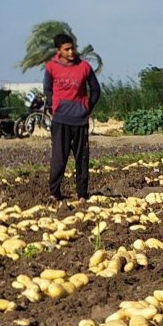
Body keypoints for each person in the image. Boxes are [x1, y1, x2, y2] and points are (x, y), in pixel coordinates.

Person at [43, 32, 101, 200]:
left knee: (82, 159)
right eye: (67, 49)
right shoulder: (51, 67)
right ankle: (54, 193)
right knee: (59, 159)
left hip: (80, 119)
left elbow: (96, 90)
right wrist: (55, 105)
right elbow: (47, 89)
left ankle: (82, 194)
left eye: (73, 48)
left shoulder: (84, 67)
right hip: (61, 119)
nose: (71, 52)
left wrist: (87, 107)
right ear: (58, 50)